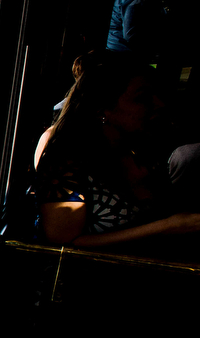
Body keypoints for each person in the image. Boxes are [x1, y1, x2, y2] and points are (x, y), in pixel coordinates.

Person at [31, 50, 200, 249]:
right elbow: (63, 245)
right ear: (102, 108)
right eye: (143, 98)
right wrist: (166, 227)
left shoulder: (140, 149)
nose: (158, 104)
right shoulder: (67, 162)